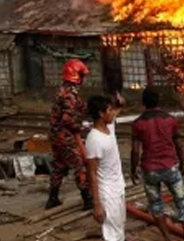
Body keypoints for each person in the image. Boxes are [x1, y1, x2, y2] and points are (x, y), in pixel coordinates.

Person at [130, 88, 184, 241]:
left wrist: (132, 170)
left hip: (150, 170)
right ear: (159, 101)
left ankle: (167, 238)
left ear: (143, 103)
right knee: (182, 202)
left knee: (156, 207)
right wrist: (183, 163)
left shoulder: (138, 123)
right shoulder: (170, 119)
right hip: (170, 167)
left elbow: (135, 151)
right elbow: (179, 144)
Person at [47, 58, 92, 210]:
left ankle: (52, 198)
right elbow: (67, 118)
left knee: (59, 165)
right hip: (64, 136)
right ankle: (87, 199)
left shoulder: (63, 89)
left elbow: (80, 106)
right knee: (80, 165)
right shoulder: (70, 94)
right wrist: (79, 128)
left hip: (54, 135)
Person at [85, 95, 126, 241]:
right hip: (108, 194)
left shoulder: (108, 127)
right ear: (101, 114)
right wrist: (97, 204)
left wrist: (120, 105)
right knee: (113, 235)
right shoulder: (94, 139)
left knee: (118, 229)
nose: (113, 113)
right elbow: (92, 174)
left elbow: (115, 114)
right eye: (110, 110)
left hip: (118, 188)